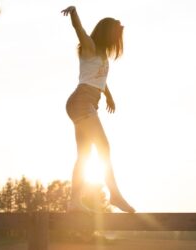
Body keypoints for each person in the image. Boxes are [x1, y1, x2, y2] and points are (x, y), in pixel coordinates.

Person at [61, 6, 135, 213]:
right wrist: (74, 14)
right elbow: (79, 30)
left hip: (87, 103)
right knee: (104, 146)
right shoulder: (90, 46)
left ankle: (74, 203)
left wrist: (108, 96)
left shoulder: (101, 55)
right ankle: (115, 195)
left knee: (84, 155)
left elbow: (100, 79)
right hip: (81, 101)